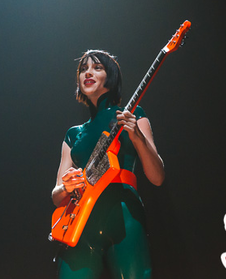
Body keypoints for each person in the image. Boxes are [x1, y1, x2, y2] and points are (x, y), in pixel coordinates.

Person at [52, 50, 165, 279]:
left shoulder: (133, 115)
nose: (88, 73)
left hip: (123, 216)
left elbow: (157, 177)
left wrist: (138, 139)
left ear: (111, 77)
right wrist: (66, 187)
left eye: (97, 67)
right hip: (80, 222)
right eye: (83, 69)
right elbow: (56, 196)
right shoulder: (73, 134)